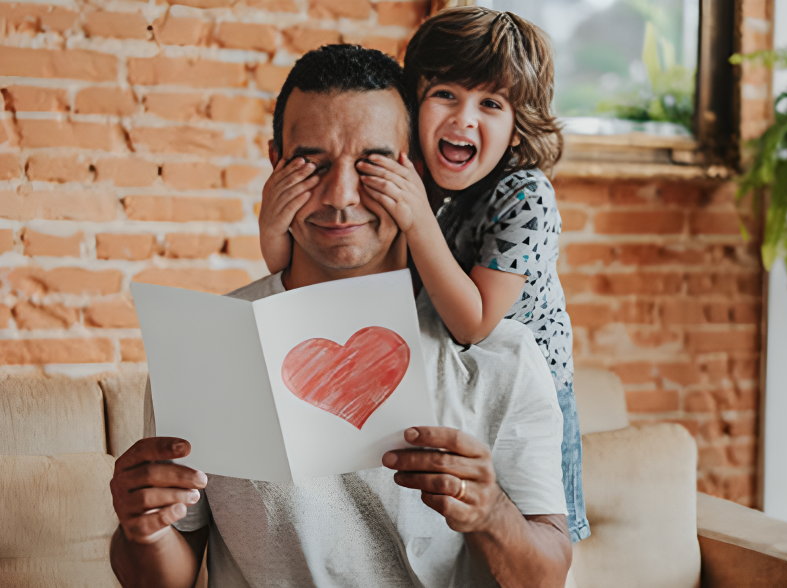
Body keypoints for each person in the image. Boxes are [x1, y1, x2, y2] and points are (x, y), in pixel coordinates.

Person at [108, 45, 572, 588]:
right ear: (275, 161)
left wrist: (491, 513)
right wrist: (143, 528)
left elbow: (547, 576)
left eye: (373, 165)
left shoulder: (502, 356)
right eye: (313, 165)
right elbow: (168, 576)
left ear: (418, 170)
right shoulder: (204, 350)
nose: (340, 197)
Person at [258, 7, 590, 544]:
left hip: (528, 393)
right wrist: (275, 219)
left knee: (538, 533)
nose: (464, 119)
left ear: (517, 126)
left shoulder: (526, 198)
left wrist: (416, 218)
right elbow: (282, 273)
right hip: (448, 380)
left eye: (491, 104)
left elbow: (474, 323)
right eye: (445, 95)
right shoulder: (430, 186)